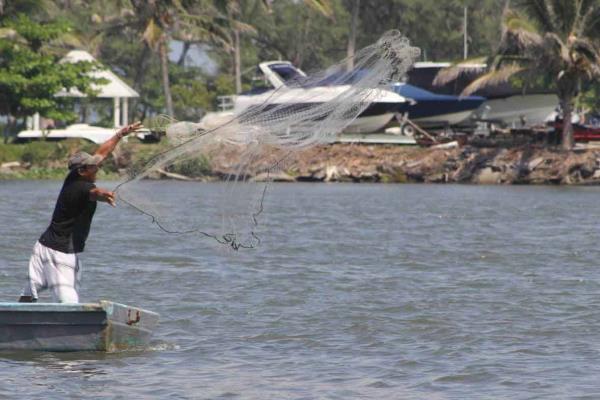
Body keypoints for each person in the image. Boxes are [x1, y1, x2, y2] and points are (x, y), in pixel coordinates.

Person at [18, 121, 144, 303]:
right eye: (93, 166)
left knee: (28, 296)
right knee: (69, 304)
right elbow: (94, 193)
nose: (98, 166)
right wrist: (105, 195)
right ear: (83, 171)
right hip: (58, 253)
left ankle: (15, 325)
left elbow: (102, 153)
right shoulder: (80, 188)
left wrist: (120, 134)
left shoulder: (74, 177)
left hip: (44, 246)